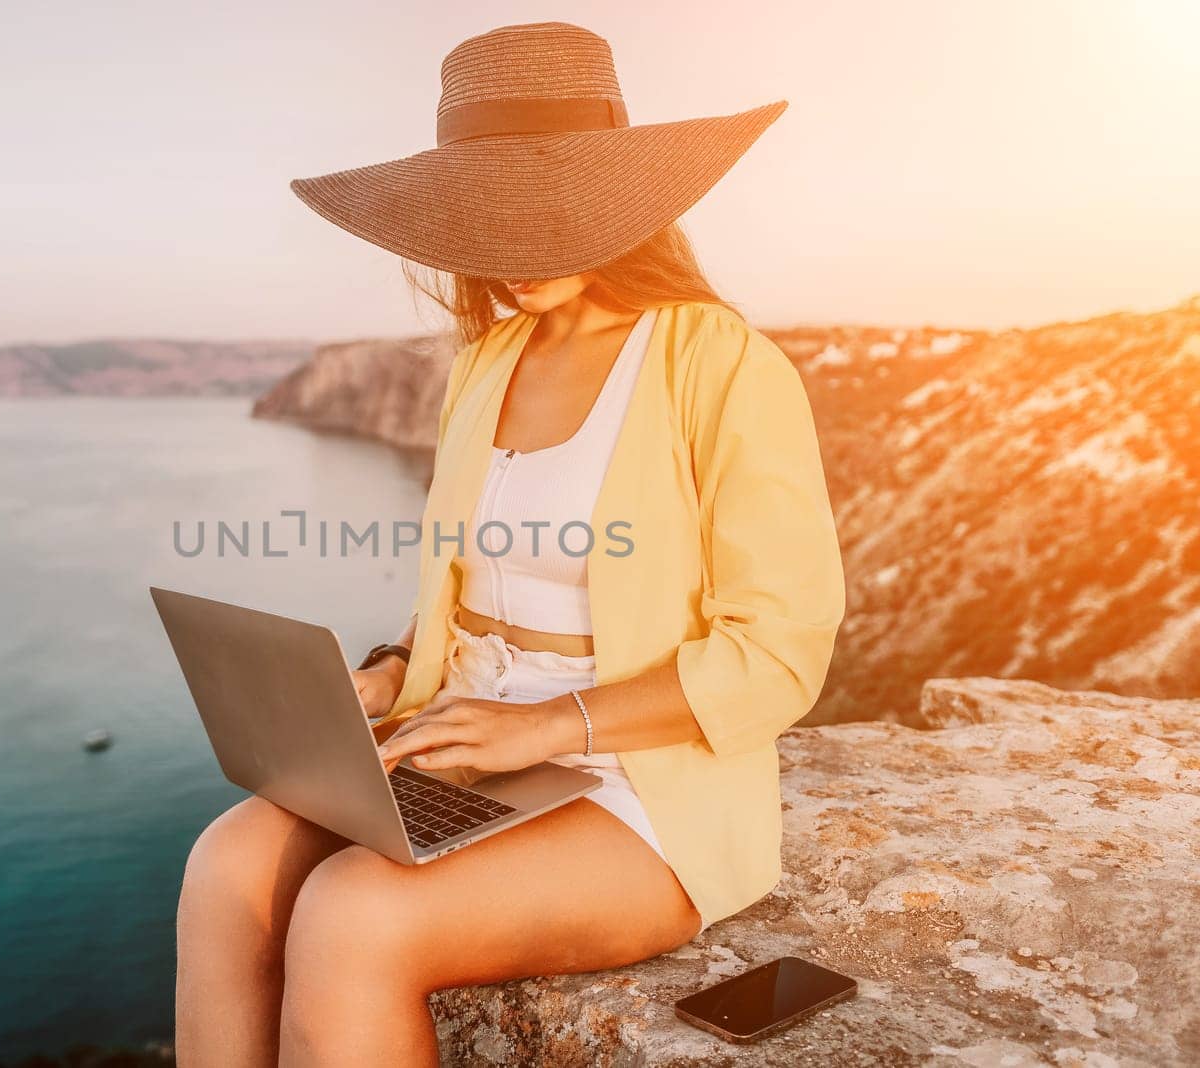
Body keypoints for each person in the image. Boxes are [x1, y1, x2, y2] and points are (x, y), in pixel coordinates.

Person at [176, 21, 847, 1067]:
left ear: (617, 203)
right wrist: (393, 669)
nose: (507, 254)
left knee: (354, 917)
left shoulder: (722, 365)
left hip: (640, 778)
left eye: (541, 218)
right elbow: (473, 585)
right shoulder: (485, 362)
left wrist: (549, 728)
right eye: (482, 220)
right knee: (225, 869)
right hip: (467, 735)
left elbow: (777, 658)